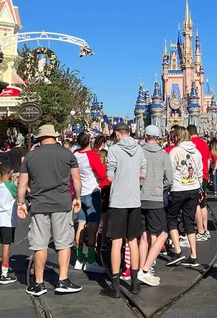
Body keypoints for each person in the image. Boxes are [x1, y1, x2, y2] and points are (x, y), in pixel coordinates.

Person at [17, 124, 82, 297]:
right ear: (54, 137)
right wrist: (77, 198)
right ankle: (62, 280)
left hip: (39, 205)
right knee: (63, 243)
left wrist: (21, 203)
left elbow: (22, 183)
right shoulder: (67, 154)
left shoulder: (31, 156)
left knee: (39, 244)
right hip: (61, 203)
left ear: (39, 138)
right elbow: (76, 178)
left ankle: (38, 283)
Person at [101, 122, 147, 298]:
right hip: (134, 200)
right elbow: (144, 173)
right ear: (129, 132)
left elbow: (110, 176)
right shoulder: (139, 149)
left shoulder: (113, 150)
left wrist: (118, 176)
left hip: (118, 201)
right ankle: (135, 283)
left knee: (117, 242)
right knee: (132, 241)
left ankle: (115, 285)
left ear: (118, 134)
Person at [138, 125, 173, 286]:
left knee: (144, 235)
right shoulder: (164, 155)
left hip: (139, 199)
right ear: (159, 138)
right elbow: (169, 180)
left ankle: (141, 268)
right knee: (162, 234)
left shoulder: (139, 153)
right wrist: (160, 188)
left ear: (145, 136)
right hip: (155, 199)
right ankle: (145, 270)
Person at [166, 126, 203, 268]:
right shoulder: (196, 152)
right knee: (189, 220)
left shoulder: (175, 151)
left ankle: (177, 250)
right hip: (193, 188)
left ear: (177, 137)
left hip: (178, 189)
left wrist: (168, 187)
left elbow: (169, 173)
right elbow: (199, 172)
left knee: (171, 218)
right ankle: (193, 255)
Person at [73, 132, 106, 273]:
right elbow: (102, 174)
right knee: (93, 226)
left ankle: (79, 259)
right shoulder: (91, 156)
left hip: (78, 194)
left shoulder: (74, 154)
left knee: (81, 224)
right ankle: (91, 260)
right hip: (92, 192)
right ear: (89, 142)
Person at [0, 163, 18, 285]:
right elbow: (18, 193)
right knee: (6, 246)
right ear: (10, 172)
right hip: (7, 218)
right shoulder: (10, 185)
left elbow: (2, 181)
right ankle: (4, 274)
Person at [187, 125, 211, 241]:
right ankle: (206, 229)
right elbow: (208, 160)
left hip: (195, 177)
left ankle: (200, 230)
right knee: (203, 204)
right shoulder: (204, 143)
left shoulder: (190, 144)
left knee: (196, 203)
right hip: (205, 175)